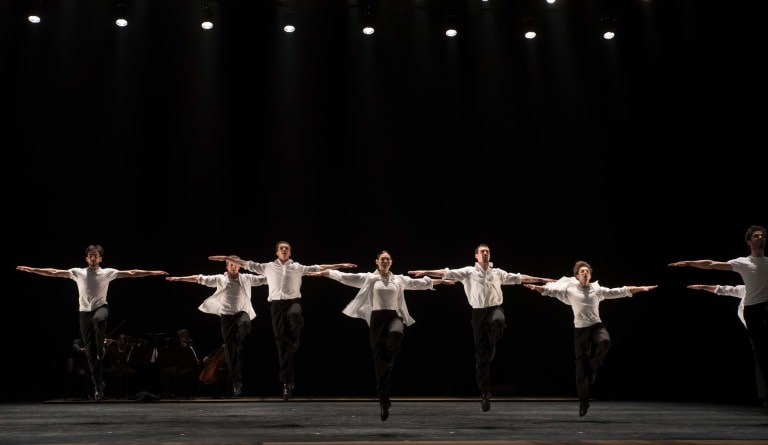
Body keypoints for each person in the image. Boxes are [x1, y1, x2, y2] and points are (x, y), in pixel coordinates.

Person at [307, 250, 456, 421]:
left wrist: (441, 282)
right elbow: (344, 277)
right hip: (376, 319)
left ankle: (390, 358)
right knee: (380, 364)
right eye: (382, 259)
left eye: (388, 259)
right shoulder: (369, 278)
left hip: (394, 316)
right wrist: (325, 273)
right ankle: (384, 402)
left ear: (391, 262)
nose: (385, 261)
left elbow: (419, 283)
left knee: (396, 334)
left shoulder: (398, 279)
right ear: (377, 261)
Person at [408, 243, 555, 412]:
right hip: (478, 314)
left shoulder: (498, 273)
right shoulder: (468, 272)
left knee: (498, 320)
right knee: (481, 357)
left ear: (489, 255)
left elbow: (521, 278)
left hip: (494, 309)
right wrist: (426, 272)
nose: (485, 254)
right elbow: (445, 272)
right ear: (476, 256)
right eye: (482, 252)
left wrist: (543, 280)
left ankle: (491, 344)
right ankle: (485, 393)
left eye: (487, 252)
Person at [16, 244, 168, 401]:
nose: (93, 258)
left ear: (100, 258)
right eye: (90, 255)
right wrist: (32, 269)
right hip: (84, 313)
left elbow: (131, 273)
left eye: (96, 255)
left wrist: (152, 272)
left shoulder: (107, 273)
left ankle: (101, 344)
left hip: (101, 309)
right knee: (90, 353)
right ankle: (99, 386)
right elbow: (54, 272)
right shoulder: (78, 273)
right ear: (87, 258)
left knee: (98, 319)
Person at [210, 241, 357, 401]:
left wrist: (340, 265)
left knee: (295, 315)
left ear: (290, 252)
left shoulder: (298, 267)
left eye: (287, 248)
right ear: (277, 253)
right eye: (281, 248)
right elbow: (245, 264)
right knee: (282, 345)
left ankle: (296, 337)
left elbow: (319, 267)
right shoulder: (267, 267)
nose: (284, 250)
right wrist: (225, 257)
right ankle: (287, 383)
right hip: (277, 306)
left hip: (293, 302)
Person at [523, 260, 658, 417]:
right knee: (581, 368)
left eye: (587, 271)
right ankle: (583, 401)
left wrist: (639, 289)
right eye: (582, 271)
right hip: (580, 330)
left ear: (590, 275)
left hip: (596, 326)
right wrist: (536, 287)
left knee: (605, 341)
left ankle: (594, 366)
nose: (585, 273)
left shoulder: (597, 289)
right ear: (577, 276)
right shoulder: (570, 290)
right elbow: (550, 291)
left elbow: (618, 291)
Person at [669, 225, 768, 413]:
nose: (761, 238)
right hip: (753, 310)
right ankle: (765, 396)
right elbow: (712, 265)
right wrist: (689, 263)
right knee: (761, 355)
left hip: (766, 308)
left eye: (763, 236)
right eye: (756, 236)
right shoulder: (743, 263)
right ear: (749, 242)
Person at [165, 256, 267, 397]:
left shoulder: (247, 278)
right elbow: (199, 279)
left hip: (241, 313)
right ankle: (237, 383)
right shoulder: (220, 279)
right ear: (226, 266)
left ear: (240, 266)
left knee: (245, 323)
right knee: (231, 353)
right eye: (230, 264)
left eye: (236, 264)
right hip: (226, 318)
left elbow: (265, 279)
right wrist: (180, 278)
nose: (233, 267)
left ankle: (235, 341)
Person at [686, 283, 767, 407]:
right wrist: (704, 287)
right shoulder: (747, 289)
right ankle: (765, 398)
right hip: (755, 334)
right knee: (761, 365)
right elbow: (726, 290)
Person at [159, 329, 201, 399]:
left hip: (190, 366)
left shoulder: (190, 343)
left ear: (186, 335)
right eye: (180, 336)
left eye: (182, 336)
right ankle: (167, 391)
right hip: (180, 366)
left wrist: (185, 347)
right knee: (164, 371)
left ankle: (182, 393)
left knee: (182, 373)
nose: (180, 337)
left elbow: (193, 357)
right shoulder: (180, 343)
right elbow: (176, 356)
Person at [103, 334, 139, 399]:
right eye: (120, 339)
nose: (122, 340)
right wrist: (106, 347)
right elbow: (107, 359)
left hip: (124, 366)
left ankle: (130, 394)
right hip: (113, 366)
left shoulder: (127, 347)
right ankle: (115, 395)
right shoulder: (112, 348)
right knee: (113, 373)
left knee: (132, 373)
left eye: (123, 339)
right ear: (117, 340)